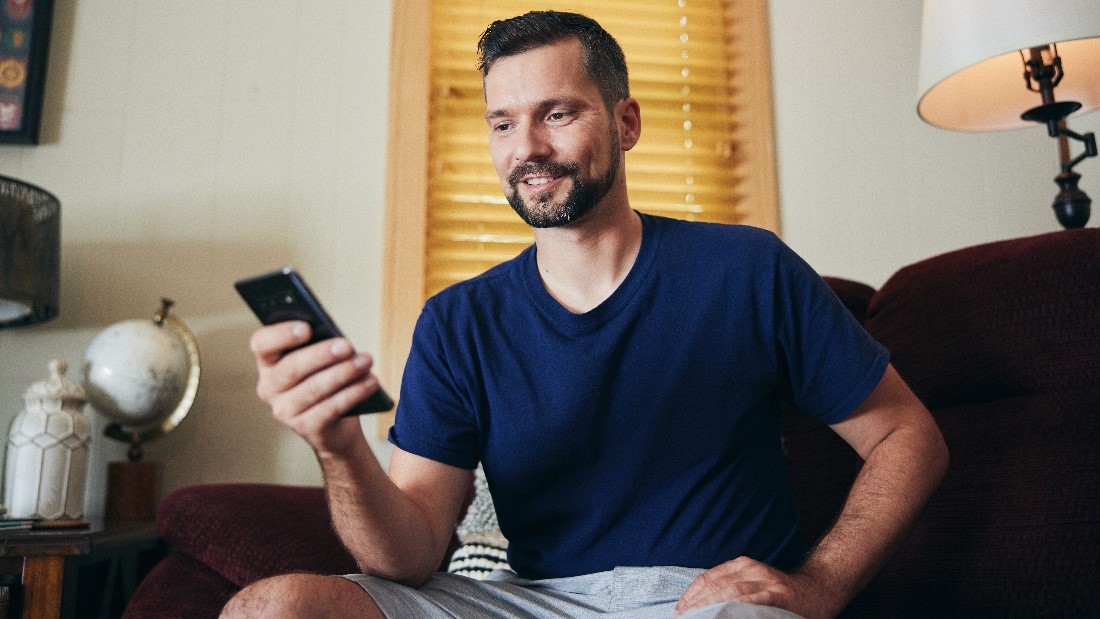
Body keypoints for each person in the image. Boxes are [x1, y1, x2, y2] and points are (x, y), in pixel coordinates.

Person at [221, 11, 948, 619]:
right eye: (502, 124)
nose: (527, 149)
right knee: (271, 606)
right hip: (527, 601)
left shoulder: (748, 269)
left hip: (698, 599)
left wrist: (819, 583)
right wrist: (339, 444)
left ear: (626, 121)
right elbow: (408, 555)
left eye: (557, 114)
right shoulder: (457, 321)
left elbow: (907, 433)